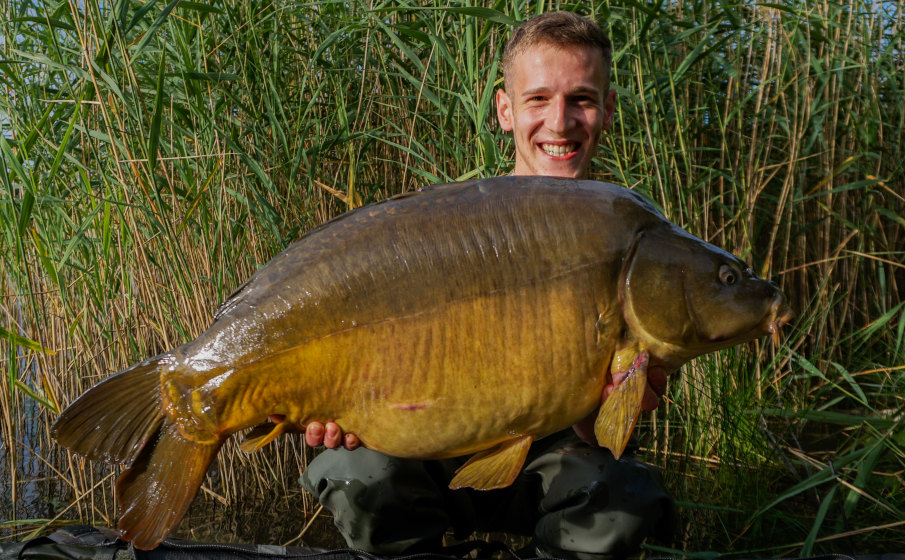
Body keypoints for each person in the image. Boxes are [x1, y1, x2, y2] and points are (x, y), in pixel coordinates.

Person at [301, 12, 675, 560]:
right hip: (427, 449)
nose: (560, 121)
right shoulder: (450, 224)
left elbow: (604, 443)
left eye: (583, 100)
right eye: (538, 99)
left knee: (624, 495)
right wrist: (341, 406)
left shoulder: (631, 240)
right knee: (353, 468)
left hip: (549, 467)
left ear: (609, 110)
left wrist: (617, 394)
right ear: (505, 109)